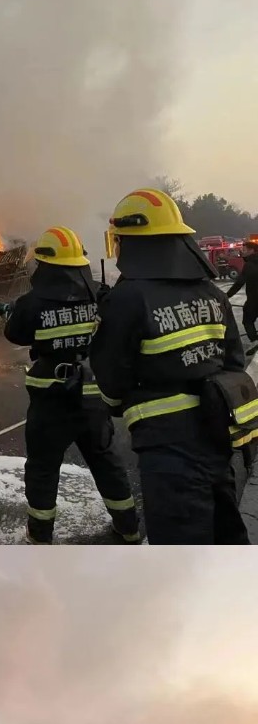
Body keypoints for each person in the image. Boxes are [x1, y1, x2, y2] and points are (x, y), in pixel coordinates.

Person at [91, 188, 258, 545]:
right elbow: (234, 362)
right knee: (227, 535)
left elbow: (109, 385)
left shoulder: (127, 299)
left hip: (168, 451)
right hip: (217, 439)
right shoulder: (213, 294)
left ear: (132, 242)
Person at [3, 226, 139, 544]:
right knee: (106, 463)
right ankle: (129, 527)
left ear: (44, 264)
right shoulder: (100, 293)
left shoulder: (32, 303)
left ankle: (40, 536)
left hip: (51, 399)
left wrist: (11, 313)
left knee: (42, 469)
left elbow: (16, 333)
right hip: (93, 395)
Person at [227, 237, 258, 355]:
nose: (242, 251)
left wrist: (227, 296)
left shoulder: (249, 265)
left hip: (254, 300)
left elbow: (239, 283)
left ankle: (255, 340)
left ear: (252, 251)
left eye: (244, 249)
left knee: (247, 321)